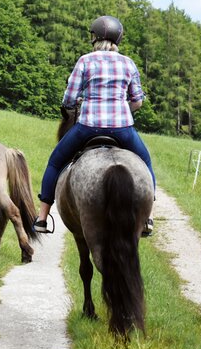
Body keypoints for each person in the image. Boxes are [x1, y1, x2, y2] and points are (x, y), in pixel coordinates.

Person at [34, 15, 156, 236]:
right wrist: (122, 109)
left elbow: (69, 98)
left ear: (95, 38)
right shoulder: (128, 63)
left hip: (88, 127)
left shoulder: (85, 61)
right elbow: (138, 101)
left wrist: (73, 106)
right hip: (123, 129)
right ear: (118, 39)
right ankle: (148, 217)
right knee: (146, 162)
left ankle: (42, 218)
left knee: (54, 162)